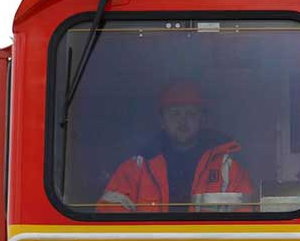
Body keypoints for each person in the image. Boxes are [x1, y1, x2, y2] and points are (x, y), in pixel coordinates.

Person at [97, 82, 254, 212]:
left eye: (190, 114)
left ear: (202, 119)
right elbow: (109, 219)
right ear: (162, 121)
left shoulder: (228, 168)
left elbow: (244, 223)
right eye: (174, 114)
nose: (183, 122)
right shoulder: (136, 168)